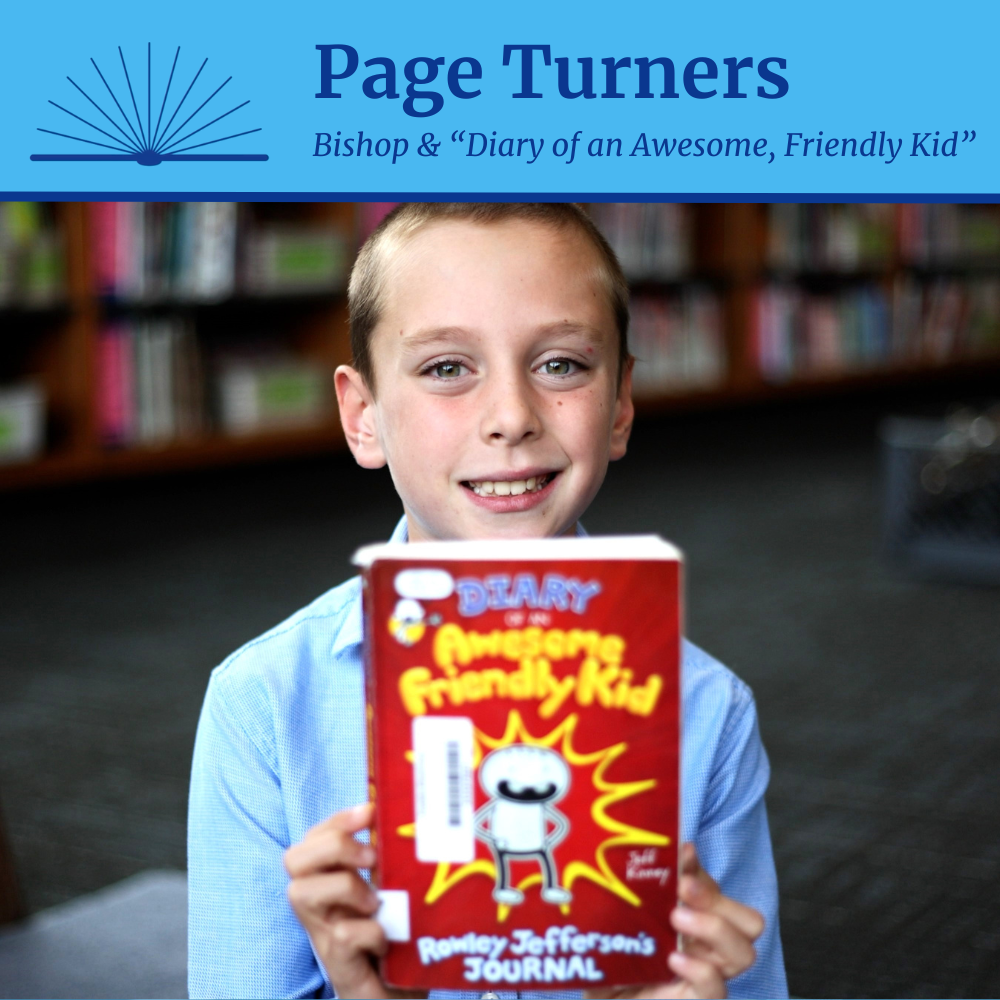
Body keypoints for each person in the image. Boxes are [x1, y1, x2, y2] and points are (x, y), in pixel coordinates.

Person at [188, 203, 788, 1000]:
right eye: (446, 368)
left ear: (621, 403)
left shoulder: (709, 711)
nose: (511, 417)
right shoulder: (262, 704)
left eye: (563, 365)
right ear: (363, 418)